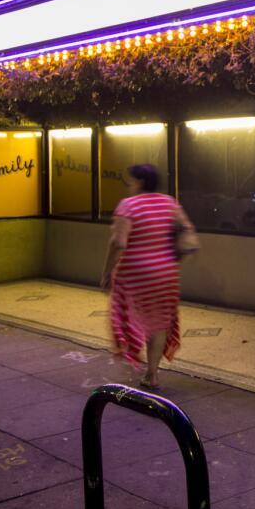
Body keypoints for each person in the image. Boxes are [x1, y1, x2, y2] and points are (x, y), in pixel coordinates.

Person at [101, 163, 194, 389]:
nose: (129, 186)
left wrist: (106, 272)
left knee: (126, 316)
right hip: (166, 273)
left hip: (135, 274)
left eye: (130, 181)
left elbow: (118, 242)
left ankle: (132, 354)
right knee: (159, 323)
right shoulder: (169, 202)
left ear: (140, 182)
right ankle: (152, 374)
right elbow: (185, 232)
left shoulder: (129, 205)